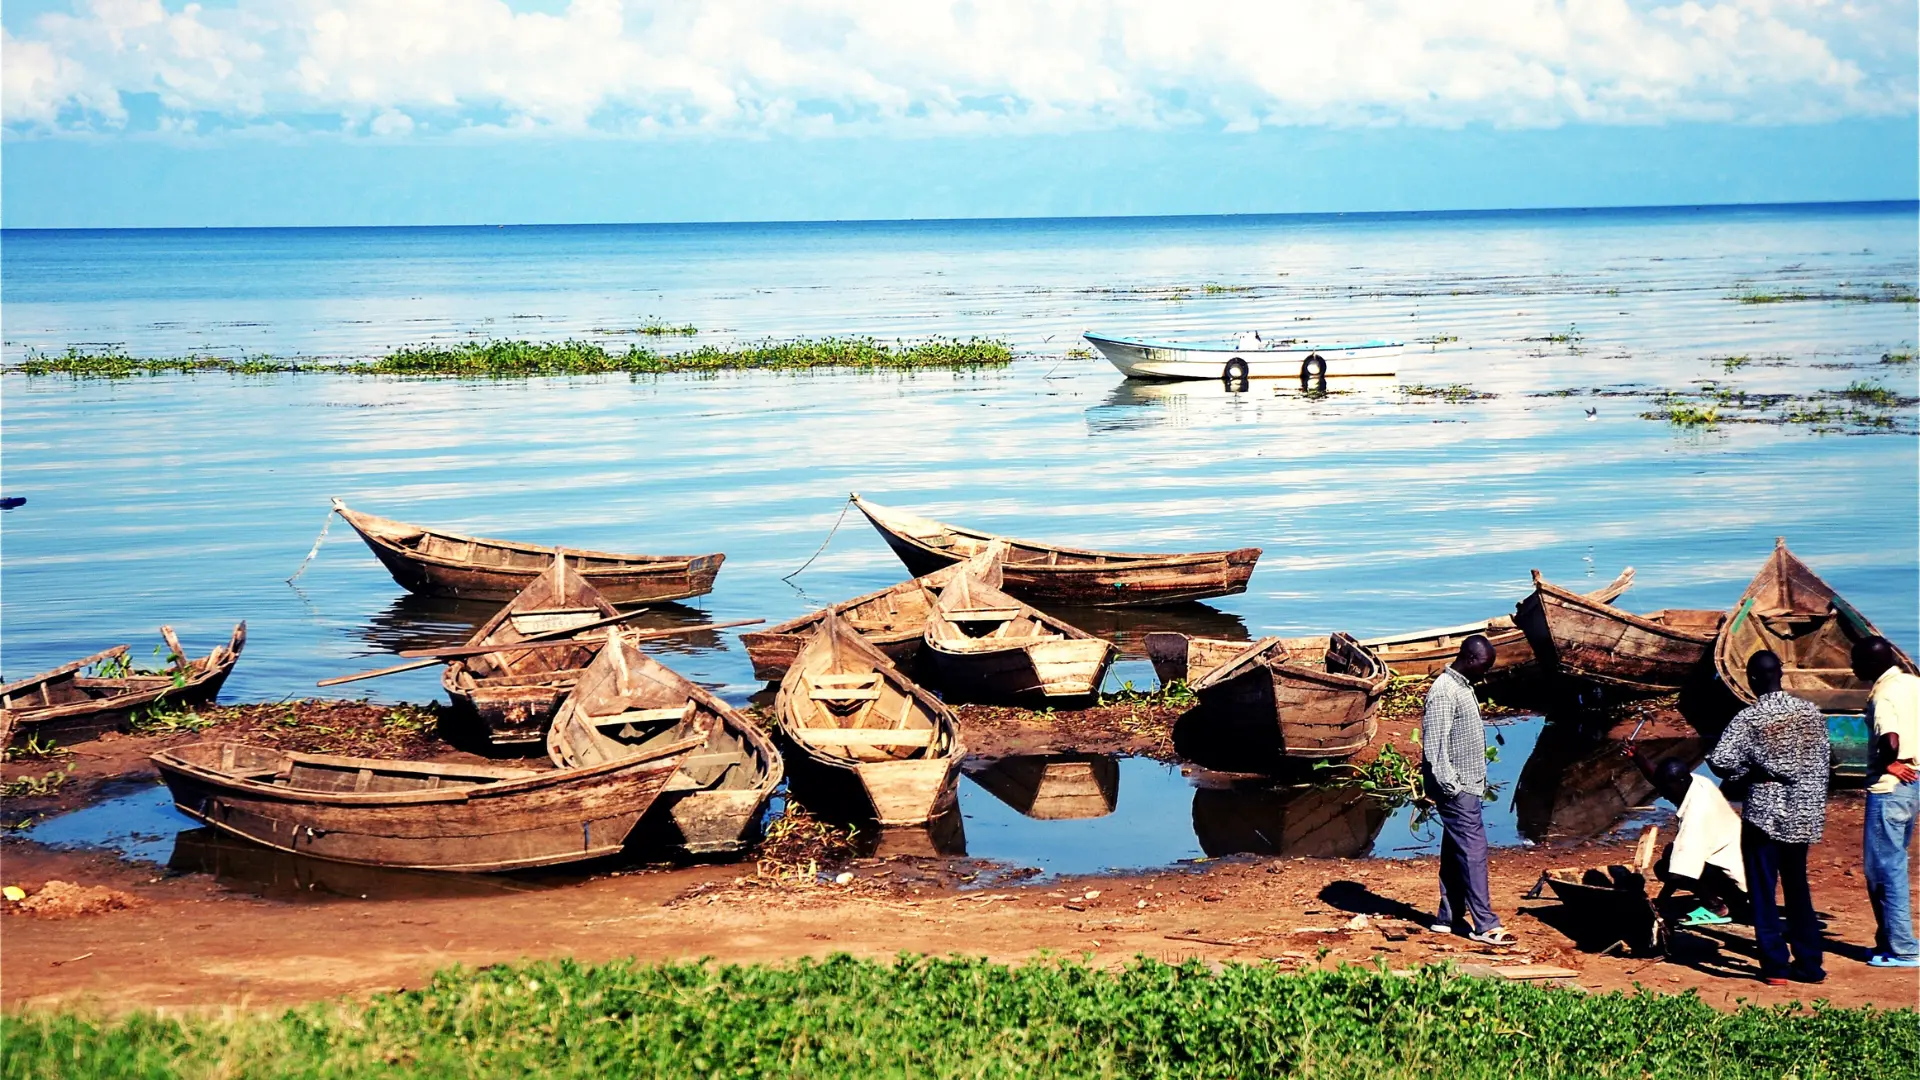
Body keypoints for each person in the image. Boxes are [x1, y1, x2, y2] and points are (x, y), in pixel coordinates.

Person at [1707, 650, 1831, 985]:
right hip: (1804, 813)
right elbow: (1822, 761)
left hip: (1765, 814)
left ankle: (1776, 967)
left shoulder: (1750, 718)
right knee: (1798, 890)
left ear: (1753, 678)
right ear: (1781, 673)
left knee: (1763, 892)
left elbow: (1720, 761)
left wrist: (1749, 770)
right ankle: (1810, 965)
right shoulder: (1811, 713)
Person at [1421, 635, 1515, 946]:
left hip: (1467, 785)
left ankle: (1447, 918)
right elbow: (1434, 749)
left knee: (1454, 852)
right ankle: (1485, 925)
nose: (1485, 672)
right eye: (1484, 666)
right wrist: (1453, 788)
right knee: (1474, 851)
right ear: (1470, 659)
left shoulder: (1462, 686)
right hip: (1456, 788)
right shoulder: (1444, 692)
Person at [1852, 635, 1920, 968]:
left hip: (1888, 789)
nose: (1852, 666)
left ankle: (1904, 948)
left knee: (1884, 870)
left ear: (1871, 664)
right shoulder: (1912, 682)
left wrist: (1890, 762)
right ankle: (1890, 940)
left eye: (1856, 661)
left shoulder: (1883, 694)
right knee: (1891, 863)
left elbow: (1889, 739)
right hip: (1913, 786)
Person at [1623, 747, 1747, 926]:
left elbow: (1678, 874)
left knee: (1665, 867)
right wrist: (1638, 757)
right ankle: (1719, 898)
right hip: (1740, 864)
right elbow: (1660, 778)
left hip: (1738, 883)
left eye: (1666, 790)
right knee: (1672, 852)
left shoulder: (1695, 816)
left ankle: (1716, 907)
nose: (1664, 796)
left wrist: (1660, 903)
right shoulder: (1697, 783)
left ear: (1679, 783)